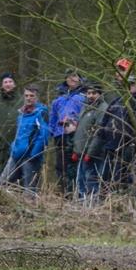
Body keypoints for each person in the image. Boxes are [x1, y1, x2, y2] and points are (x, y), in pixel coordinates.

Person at [100, 58, 136, 190]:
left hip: (127, 148)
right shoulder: (118, 100)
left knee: (122, 179)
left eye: (121, 70)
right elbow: (104, 122)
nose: (117, 74)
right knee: (106, 179)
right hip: (110, 147)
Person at [1, 84, 50, 196]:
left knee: (29, 189)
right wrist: (13, 148)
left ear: (37, 97)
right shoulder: (21, 114)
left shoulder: (41, 112)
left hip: (30, 156)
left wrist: (34, 154)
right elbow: (18, 135)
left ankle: (30, 211)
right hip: (16, 154)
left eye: (31, 96)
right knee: (3, 182)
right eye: (26, 95)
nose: (28, 98)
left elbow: (43, 135)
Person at [48, 68, 87, 197]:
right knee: (60, 166)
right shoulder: (59, 98)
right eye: (69, 76)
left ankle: (76, 192)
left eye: (75, 76)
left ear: (80, 79)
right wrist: (52, 132)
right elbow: (52, 117)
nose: (72, 79)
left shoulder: (83, 97)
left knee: (74, 165)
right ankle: (64, 192)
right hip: (60, 136)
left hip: (76, 135)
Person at [72, 82, 109, 205]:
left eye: (94, 93)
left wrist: (90, 153)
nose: (91, 95)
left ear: (100, 94)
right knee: (81, 179)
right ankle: (82, 203)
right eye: (88, 93)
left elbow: (99, 132)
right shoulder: (86, 107)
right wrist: (76, 150)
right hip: (82, 151)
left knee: (91, 179)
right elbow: (81, 131)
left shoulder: (102, 108)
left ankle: (93, 204)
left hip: (94, 153)